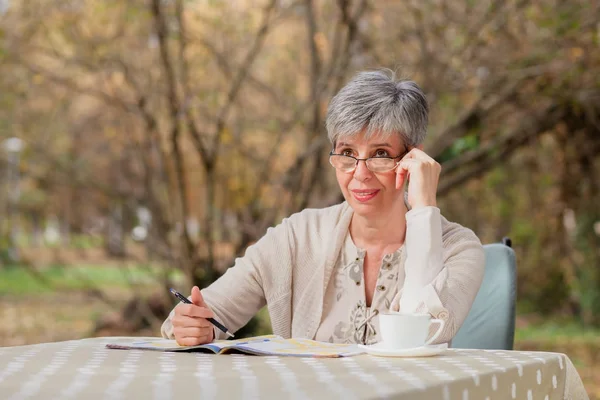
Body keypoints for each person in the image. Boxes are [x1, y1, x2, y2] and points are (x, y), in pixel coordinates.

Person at [161, 69, 485, 346]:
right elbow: (197, 314)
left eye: (381, 153)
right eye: (346, 152)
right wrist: (190, 324)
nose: (360, 174)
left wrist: (424, 208)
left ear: (413, 159)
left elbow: (420, 338)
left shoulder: (458, 250)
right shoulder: (296, 236)